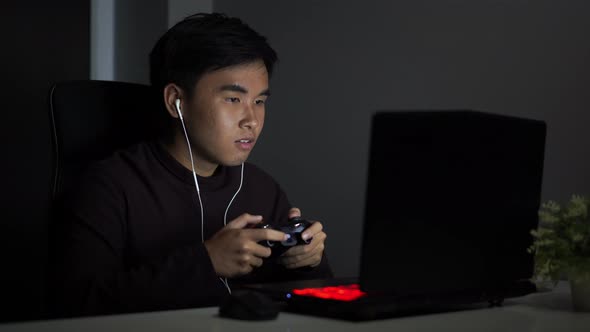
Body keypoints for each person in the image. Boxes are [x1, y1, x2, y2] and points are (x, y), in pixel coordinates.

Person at [51, 12, 331, 317]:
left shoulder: (262, 188)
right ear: (176, 102)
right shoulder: (109, 187)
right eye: (233, 100)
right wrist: (206, 262)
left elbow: (309, 304)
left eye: (260, 101)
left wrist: (307, 262)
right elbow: (76, 305)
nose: (252, 120)